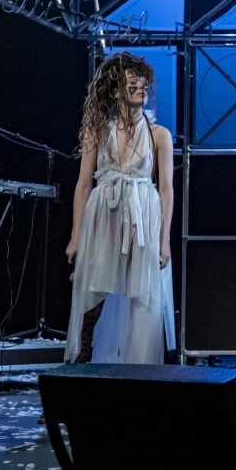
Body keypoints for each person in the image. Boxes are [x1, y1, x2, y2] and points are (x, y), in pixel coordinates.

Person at [64, 52, 175, 364]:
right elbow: (83, 184)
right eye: (132, 83)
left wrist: (164, 240)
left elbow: (166, 189)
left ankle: (140, 370)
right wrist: (76, 235)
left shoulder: (159, 135)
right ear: (115, 91)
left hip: (143, 215)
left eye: (143, 83)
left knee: (143, 295)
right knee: (93, 289)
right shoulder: (98, 130)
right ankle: (81, 364)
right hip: (105, 213)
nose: (141, 87)